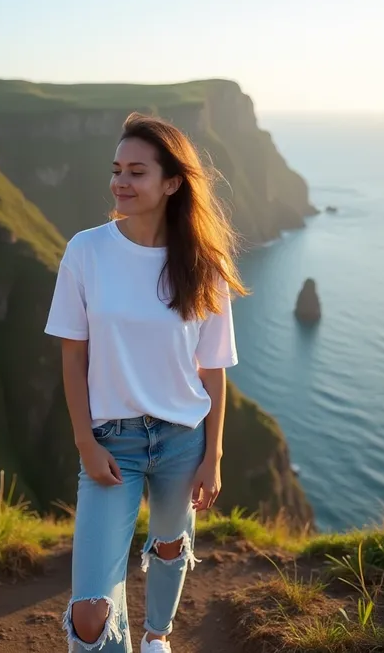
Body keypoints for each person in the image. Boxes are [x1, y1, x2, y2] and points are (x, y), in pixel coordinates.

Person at [44, 113, 247, 652]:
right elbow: (73, 356)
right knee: (89, 615)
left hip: (184, 437)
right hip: (113, 442)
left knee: (169, 546)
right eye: (117, 170)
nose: (120, 183)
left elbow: (213, 368)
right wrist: (85, 441)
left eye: (137, 172)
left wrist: (214, 455)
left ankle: (157, 638)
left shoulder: (205, 264)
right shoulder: (85, 251)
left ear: (172, 183)